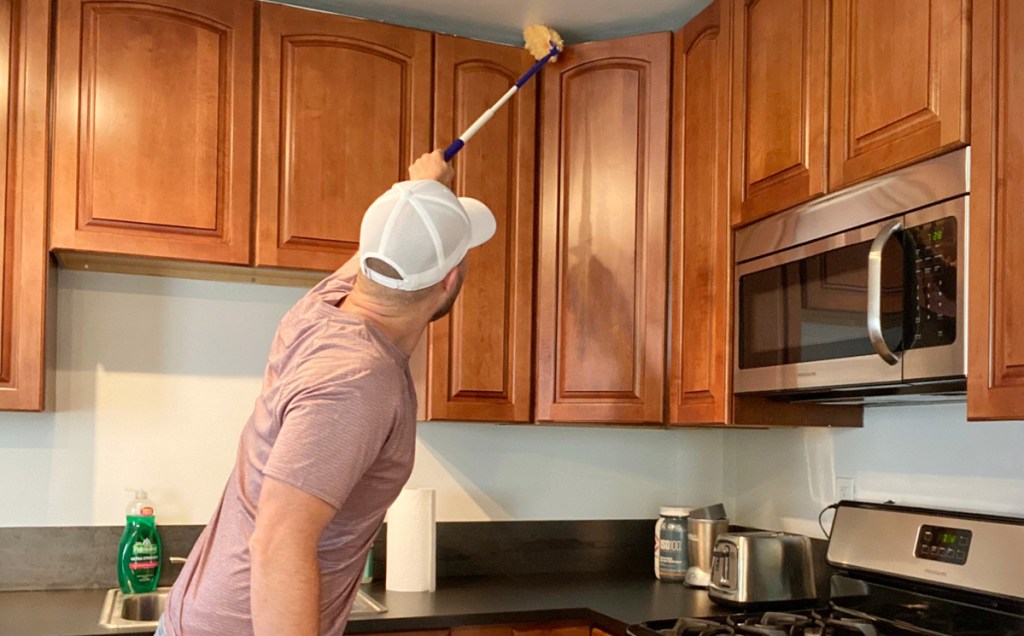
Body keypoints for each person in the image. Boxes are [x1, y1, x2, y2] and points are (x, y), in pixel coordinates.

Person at [158, 150, 496, 636]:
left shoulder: (319, 311)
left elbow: (382, 251)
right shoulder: (358, 382)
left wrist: (422, 192)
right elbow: (278, 542)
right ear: (449, 282)